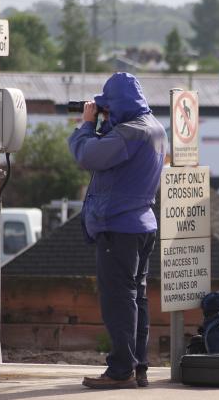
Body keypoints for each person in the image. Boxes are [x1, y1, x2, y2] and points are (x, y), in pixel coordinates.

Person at [68, 72, 167, 389]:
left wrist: (86, 124)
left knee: (118, 301)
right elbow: (116, 152)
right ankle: (138, 366)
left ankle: (121, 369)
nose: (104, 112)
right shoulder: (152, 127)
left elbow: (86, 155)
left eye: (107, 106)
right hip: (142, 224)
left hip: (118, 226)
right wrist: (106, 121)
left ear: (118, 104)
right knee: (136, 298)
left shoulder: (128, 134)